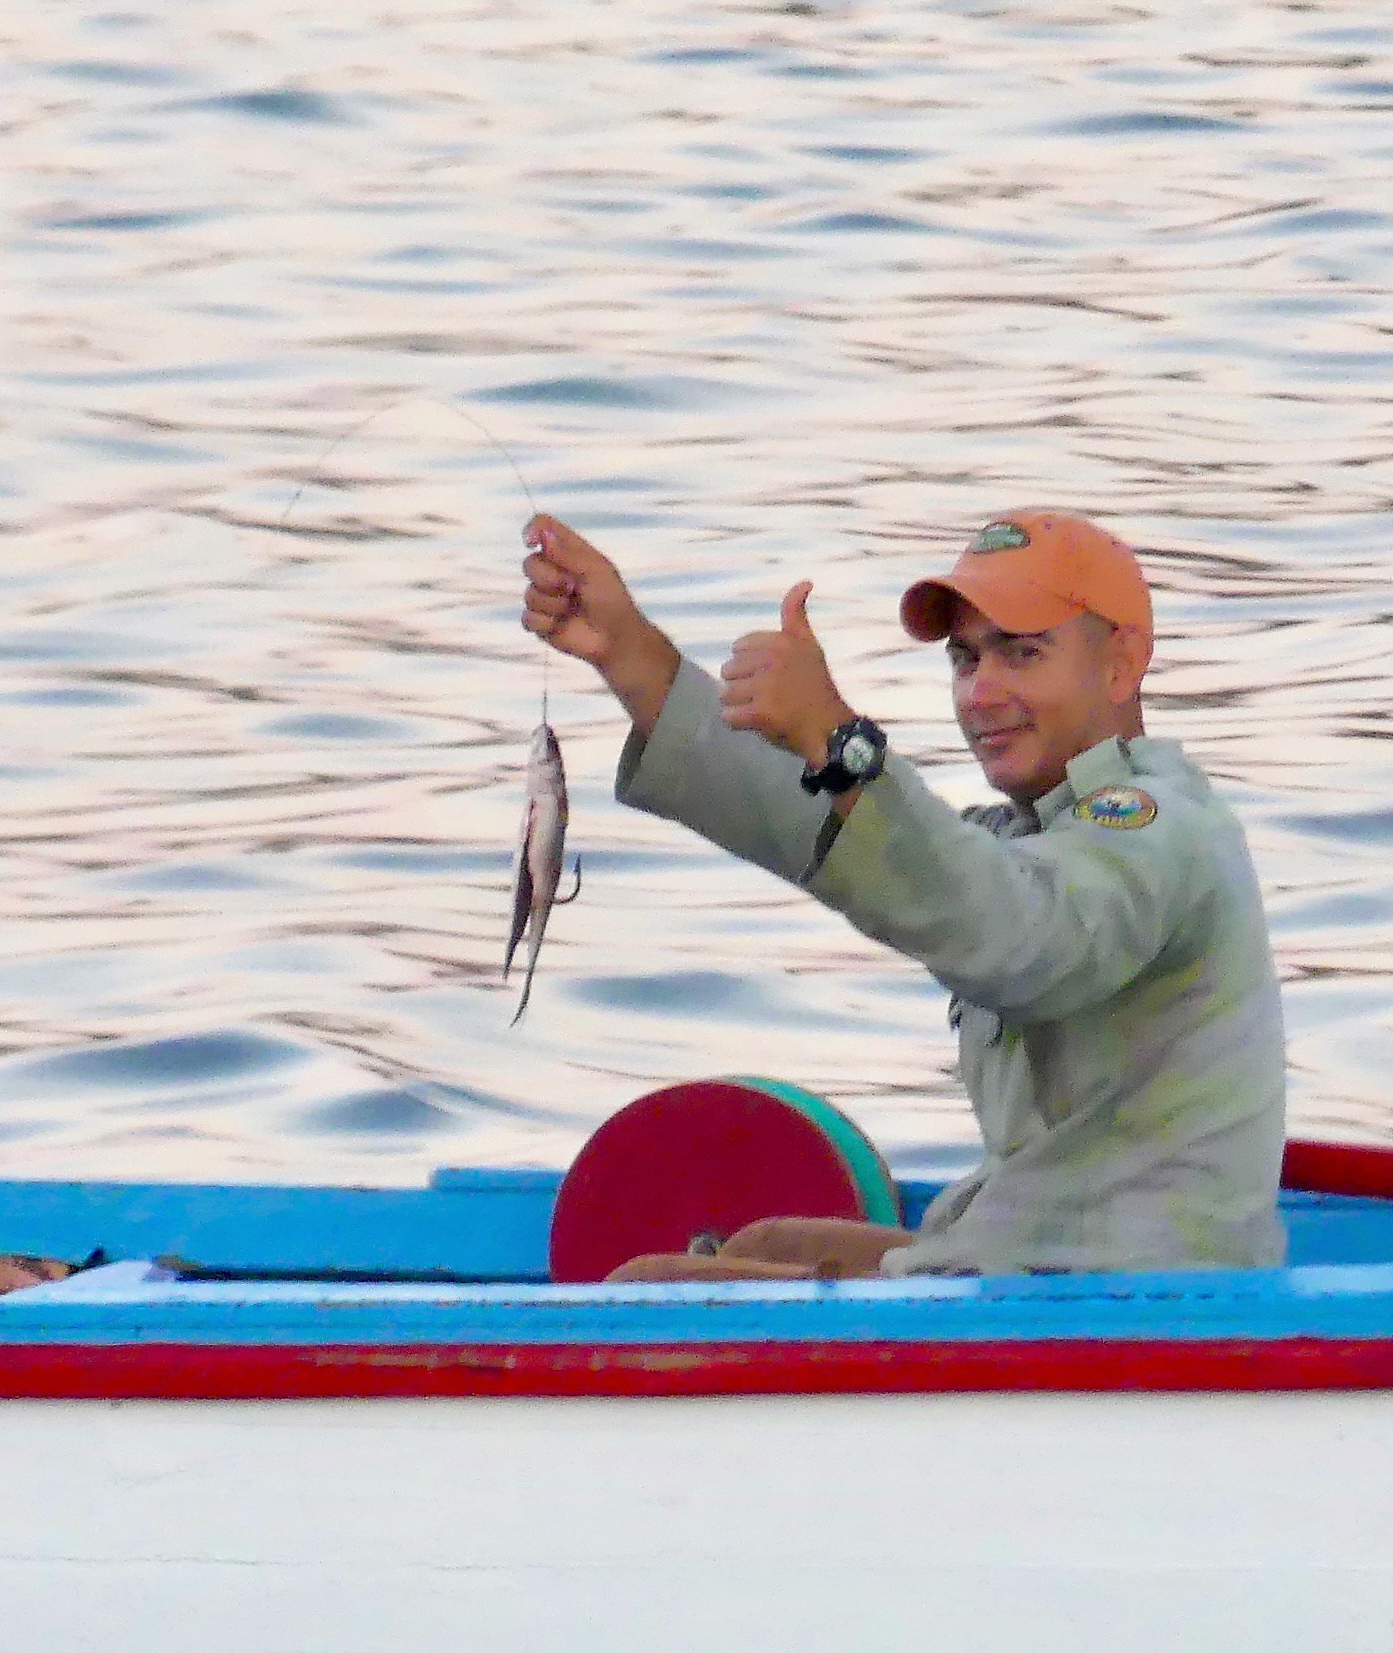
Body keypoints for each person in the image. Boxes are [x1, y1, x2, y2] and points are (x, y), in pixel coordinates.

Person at [517, 508, 1286, 1279]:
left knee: (649, 1288)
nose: (981, 692)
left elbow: (1016, 933)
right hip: (1039, 1254)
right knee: (768, 1246)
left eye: (1022, 652)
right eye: (965, 659)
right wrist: (629, 652)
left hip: (1132, 1296)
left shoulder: (1154, 826)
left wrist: (838, 740)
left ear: (1122, 663)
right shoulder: (1038, 833)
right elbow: (827, 824)